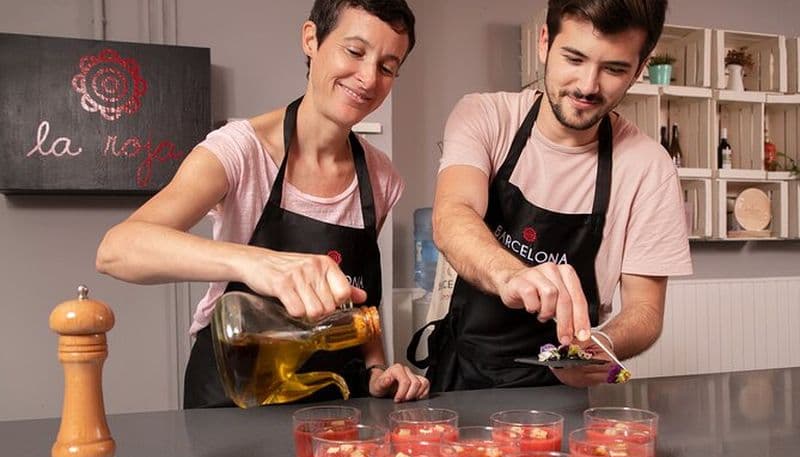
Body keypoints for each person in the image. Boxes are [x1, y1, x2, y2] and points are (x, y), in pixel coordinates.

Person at [96, 0, 430, 407]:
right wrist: (255, 263)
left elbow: (359, 304)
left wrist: (378, 369)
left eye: (387, 66)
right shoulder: (239, 151)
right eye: (355, 52)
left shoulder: (380, 178)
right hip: (235, 395)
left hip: (332, 402)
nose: (367, 78)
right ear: (311, 39)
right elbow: (117, 250)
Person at [409, 0, 692, 391]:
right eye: (574, 58)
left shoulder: (648, 168)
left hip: (563, 391)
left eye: (614, 69)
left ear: (640, 70)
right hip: (461, 376)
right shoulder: (486, 116)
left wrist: (600, 344)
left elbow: (645, 311)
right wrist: (514, 277)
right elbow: (453, 216)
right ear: (545, 42)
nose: (587, 86)